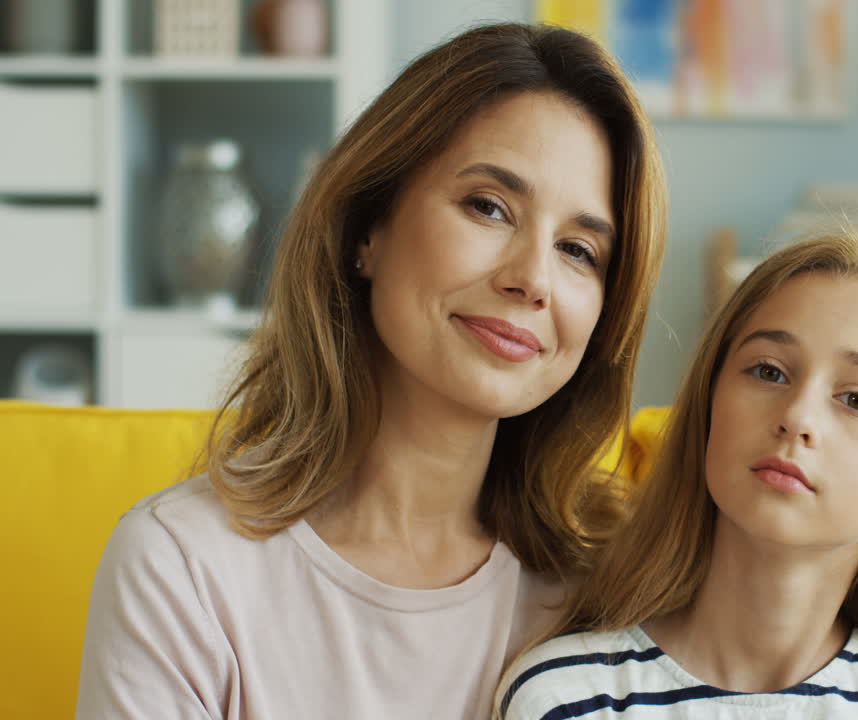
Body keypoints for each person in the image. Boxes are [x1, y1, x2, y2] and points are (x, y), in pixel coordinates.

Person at [76, 23, 667, 719]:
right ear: (368, 231)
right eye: (489, 206)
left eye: (579, 250)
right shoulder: (182, 568)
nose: (533, 278)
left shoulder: (608, 590)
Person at [497, 232, 858, 719]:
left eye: (856, 399)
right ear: (709, 412)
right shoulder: (564, 696)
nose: (798, 417)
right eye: (769, 371)